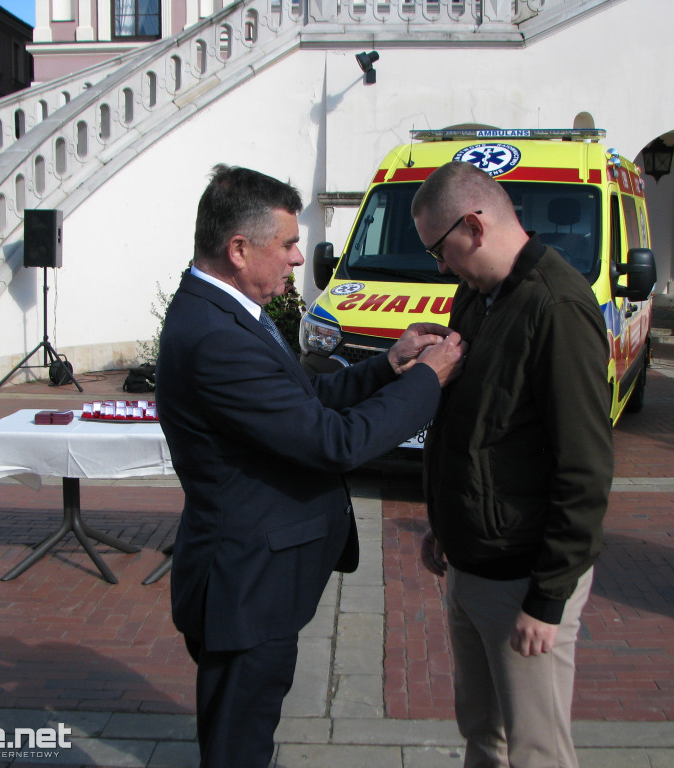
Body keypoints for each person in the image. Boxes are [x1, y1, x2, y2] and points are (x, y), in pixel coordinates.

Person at [155, 164, 465, 768]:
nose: (299, 258)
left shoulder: (227, 310)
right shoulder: (217, 334)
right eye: (288, 244)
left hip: (254, 575)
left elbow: (301, 402)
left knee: (246, 734)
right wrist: (428, 380)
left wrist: (388, 365)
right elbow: (333, 442)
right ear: (239, 249)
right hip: (245, 583)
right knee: (238, 748)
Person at [413, 161, 613, 768]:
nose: (441, 267)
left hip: (525, 579)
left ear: (473, 226)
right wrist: (445, 522)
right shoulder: (477, 296)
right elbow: (471, 429)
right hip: (473, 562)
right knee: (483, 730)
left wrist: (547, 599)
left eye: (439, 251)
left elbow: (584, 467)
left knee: (536, 750)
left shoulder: (557, 306)